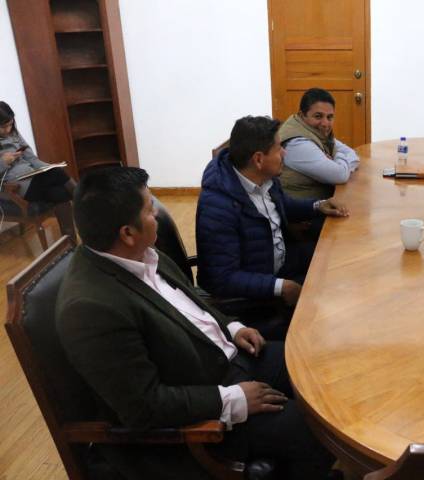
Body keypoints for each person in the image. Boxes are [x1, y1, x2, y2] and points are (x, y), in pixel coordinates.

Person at [56, 166, 336, 479]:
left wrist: (232, 327)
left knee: (319, 364)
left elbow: (193, 302)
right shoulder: (92, 308)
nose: (157, 213)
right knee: (316, 428)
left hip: (226, 357)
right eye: (149, 209)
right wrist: (233, 399)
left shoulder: (140, 253)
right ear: (127, 233)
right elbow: (144, 407)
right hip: (204, 411)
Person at [196, 115, 348, 313]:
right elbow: (223, 278)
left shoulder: (264, 177)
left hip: (278, 263)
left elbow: (283, 205)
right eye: (278, 148)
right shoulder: (218, 206)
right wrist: (280, 287)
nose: (284, 153)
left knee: (336, 257)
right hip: (254, 295)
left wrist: (318, 205)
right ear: (259, 159)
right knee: (331, 300)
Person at [0, 101, 75, 237]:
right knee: (57, 174)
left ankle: (72, 242)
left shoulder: (14, 134)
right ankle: (88, 204)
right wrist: (3, 162)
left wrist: (48, 168)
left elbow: (32, 159)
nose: (8, 130)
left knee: (59, 193)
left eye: (10, 124)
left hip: (33, 177)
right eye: (3, 127)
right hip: (16, 187)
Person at [278, 87, 359, 200]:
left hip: (321, 203)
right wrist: (338, 159)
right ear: (302, 115)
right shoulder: (297, 144)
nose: (325, 123)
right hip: (304, 209)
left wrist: (335, 159)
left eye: (329, 117)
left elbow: (353, 154)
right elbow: (340, 175)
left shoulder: (312, 132)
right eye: (318, 116)